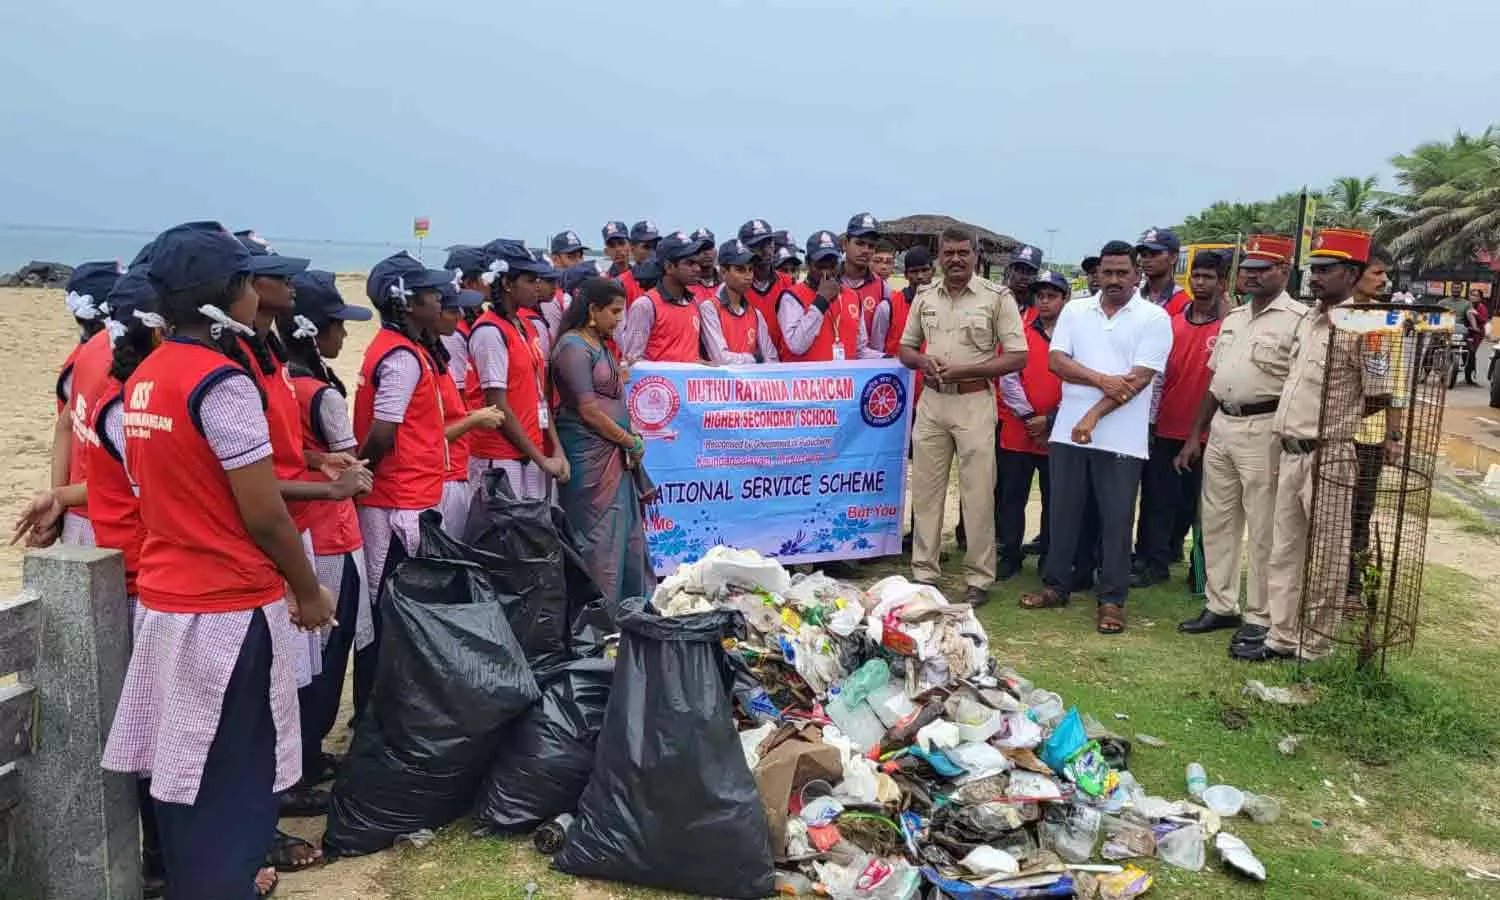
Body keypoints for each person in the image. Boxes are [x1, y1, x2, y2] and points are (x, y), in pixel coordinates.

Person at [101, 221, 334, 899]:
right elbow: (261, 511)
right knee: (233, 770)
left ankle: (196, 881)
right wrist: (307, 588)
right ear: (223, 295)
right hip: (227, 609)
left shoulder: (145, 376)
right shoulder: (221, 383)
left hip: (170, 600)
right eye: (246, 283)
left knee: (182, 768)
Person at [1235, 228, 1393, 662]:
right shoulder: (1308, 319)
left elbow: (1380, 391)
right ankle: (1281, 637)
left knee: (1327, 553)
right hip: (1290, 452)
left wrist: (1336, 425)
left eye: (1326, 270)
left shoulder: (1368, 327)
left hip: (1331, 454)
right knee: (1284, 549)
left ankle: (1315, 644)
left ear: (1353, 273)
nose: (1316, 278)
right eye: (1314, 269)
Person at [1019, 241, 1172, 635]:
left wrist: (1092, 413)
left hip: (1121, 441)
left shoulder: (1154, 319)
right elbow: (1056, 361)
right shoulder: (1075, 310)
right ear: (1098, 274)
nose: (1115, 279)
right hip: (1069, 436)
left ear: (1137, 275)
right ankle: (1056, 585)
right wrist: (1102, 379)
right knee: (1062, 513)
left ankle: (1112, 599)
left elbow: (1137, 381)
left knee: (1116, 521)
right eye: (1109, 272)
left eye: (1124, 273)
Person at [278, 269, 379, 826]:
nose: (344, 337)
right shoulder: (320, 393)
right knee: (328, 654)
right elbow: (352, 462)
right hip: (331, 530)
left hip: (301, 528)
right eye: (337, 326)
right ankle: (307, 760)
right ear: (314, 333)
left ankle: (302, 756)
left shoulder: (278, 383)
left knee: (303, 659)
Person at [1174, 234, 1305, 643]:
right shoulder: (1233, 318)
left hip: (1265, 429)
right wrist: (1196, 434)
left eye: (1262, 270)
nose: (1252, 277)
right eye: (1247, 270)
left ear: (1283, 271)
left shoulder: (1298, 320)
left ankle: (1260, 615)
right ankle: (1220, 604)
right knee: (1217, 522)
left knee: (1264, 526)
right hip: (1222, 429)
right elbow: (1216, 382)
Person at [898, 227, 1028, 605]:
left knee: (977, 493)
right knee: (925, 491)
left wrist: (968, 371)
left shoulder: (996, 298)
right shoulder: (925, 297)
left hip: (974, 402)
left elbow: (1018, 355)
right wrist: (923, 360)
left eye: (962, 253)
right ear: (939, 256)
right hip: (933, 402)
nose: (955, 259)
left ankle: (978, 578)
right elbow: (906, 348)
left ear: (976, 255)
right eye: (948, 253)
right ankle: (924, 572)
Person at [353, 252, 452, 644]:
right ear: (407, 302)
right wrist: (365, 473)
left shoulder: (399, 347)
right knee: (394, 606)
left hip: (405, 493)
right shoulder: (401, 357)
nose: (440, 300)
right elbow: (383, 430)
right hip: (399, 500)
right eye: (430, 293)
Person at [552, 277, 659, 605]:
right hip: (590, 458)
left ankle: (631, 611)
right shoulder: (573, 347)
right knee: (599, 540)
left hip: (614, 458)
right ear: (592, 310)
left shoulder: (598, 344)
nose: (619, 320)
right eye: (613, 312)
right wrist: (629, 440)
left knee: (627, 536)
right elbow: (589, 411)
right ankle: (599, 620)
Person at [1131, 250, 1226, 588]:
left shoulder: (1227, 327)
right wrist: (1151, 422)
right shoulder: (1171, 325)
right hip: (1167, 427)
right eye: (1196, 276)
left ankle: (1193, 565)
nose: (1200, 283)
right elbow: (1156, 379)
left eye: (1208, 277)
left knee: (1196, 505)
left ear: (1221, 283)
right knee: (1157, 498)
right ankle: (1152, 562)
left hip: (1209, 433)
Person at [467, 246, 569, 499]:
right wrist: (542, 459)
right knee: (503, 535)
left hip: (530, 450)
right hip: (500, 457)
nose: (538, 286)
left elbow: (538, 397)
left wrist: (556, 448)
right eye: (530, 280)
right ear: (507, 284)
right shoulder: (490, 332)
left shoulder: (526, 326)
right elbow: (498, 405)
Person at [996, 270, 1069, 579]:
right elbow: (1008, 379)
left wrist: (1050, 420)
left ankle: (1050, 556)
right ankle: (1009, 554)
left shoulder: (1074, 336)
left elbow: (1080, 385)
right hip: (1020, 430)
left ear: (1064, 299)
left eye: (1052, 296)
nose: (1046, 301)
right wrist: (1030, 419)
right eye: (1041, 296)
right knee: (1012, 497)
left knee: (1056, 498)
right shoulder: (1021, 332)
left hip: (1060, 430)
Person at [51, 260, 125, 546]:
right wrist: (60, 497)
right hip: (97, 502)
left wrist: (58, 496)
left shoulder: (82, 354)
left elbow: (64, 426)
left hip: (79, 500)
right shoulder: (105, 360)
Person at [1346, 245, 1403, 611]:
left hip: (1367, 435)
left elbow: (1395, 386)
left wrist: (1393, 436)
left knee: (1358, 514)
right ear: (1354, 274)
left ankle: (1353, 589)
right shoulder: (1335, 316)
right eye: (1377, 272)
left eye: (1385, 273)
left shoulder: (1388, 321)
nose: (1384, 280)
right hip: (1327, 433)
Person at [431, 283, 506, 536]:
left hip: (453, 469)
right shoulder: (409, 361)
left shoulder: (432, 354)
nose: (460, 315)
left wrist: (471, 417)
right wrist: (473, 421)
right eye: (452, 309)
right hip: (440, 475)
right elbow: (425, 436)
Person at [782, 230, 882, 363]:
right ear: (808, 263)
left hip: (845, 381)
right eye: (821, 267)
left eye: (832, 266)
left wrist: (886, 359)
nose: (827, 273)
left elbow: (860, 350)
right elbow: (797, 346)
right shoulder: (791, 297)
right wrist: (821, 301)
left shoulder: (853, 297)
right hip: (809, 381)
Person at [619, 230, 710, 362]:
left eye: (697, 263)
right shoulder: (645, 306)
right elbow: (632, 361)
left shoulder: (694, 303)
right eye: (690, 263)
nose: (697, 269)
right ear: (669, 267)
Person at [701, 240, 780, 364]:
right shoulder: (710, 308)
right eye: (740, 270)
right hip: (723, 383)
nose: (748, 276)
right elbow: (721, 359)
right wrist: (755, 358)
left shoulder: (755, 314)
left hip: (751, 383)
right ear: (723, 272)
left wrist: (755, 359)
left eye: (750, 269)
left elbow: (772, 359)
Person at [843, 213, 893, 351]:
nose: (865, 250)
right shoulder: (827, 283)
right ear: (845, 243)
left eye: (871, 246)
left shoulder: (882, 287)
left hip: (868, 368)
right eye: (859, 243)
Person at [740, 218, 790, 357]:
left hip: (787, 365)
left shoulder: (788, 282)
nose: (764, 250)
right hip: (750, 367)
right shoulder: (736, 287)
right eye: (756, 245)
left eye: (768, 243)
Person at [886, 246, 935, 358]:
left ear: (933, 271)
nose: (920, 276)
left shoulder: (945, 303)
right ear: (906, 275)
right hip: (900, 374)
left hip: (934, 373)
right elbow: (877, 349)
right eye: (914, 271)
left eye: (925, 270)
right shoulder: (889, 306)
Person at [1136, 228, 1191, 315]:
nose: (1146, 260)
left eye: (1154, 254)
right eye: (1143, 255)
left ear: (1173, 257)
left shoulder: (1183, 303)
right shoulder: (1133, 297)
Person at [1007, 244, 1043, 317]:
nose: (1024, 277)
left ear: (1037, 275)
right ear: (1009, 271)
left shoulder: (1042, 309)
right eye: (1019, 270)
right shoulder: (996, 301)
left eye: (1030, 272)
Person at [1465, 287, 1488, 384]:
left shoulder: (1482, 307)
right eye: (1472, 295)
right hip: (1465, 331)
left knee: (1471, 354)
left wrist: (1476, 313)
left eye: (1476, 296)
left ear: (1480, 298)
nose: (1473, 297)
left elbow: (1484, 320)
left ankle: (1470, 377)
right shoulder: (1466, 305)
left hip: (1476, 334)